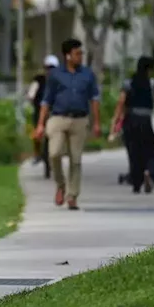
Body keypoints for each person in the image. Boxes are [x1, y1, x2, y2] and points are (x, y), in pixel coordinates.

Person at [34, 39, 101, 210]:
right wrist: (40, 124)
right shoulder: (55, 75)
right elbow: (46, 100)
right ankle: (60, 184)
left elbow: (94, 99)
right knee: (54, 153)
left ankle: (72, 196)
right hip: (58, 118)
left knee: (76, 159)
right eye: (77, 53)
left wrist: (96, 123)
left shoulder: (88, 74)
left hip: (80, 119)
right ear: (68, 55)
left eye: (81, 53)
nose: (80, 57)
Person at [110, 56, 154, 193]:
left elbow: (121, 102)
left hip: (131, 120)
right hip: (147, 121)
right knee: (149, 151)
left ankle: (136, 181)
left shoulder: (128, 83)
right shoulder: (153, 84)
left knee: (134, 152)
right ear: (149, 70)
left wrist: (115, 121)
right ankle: (149, 173)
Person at [27, 55, 60, 167]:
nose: (50, 70)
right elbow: (31, 93)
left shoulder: (59, 81)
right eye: (48, 68)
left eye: (52, 68)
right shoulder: (39, 80)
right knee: (36, 133)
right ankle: (37, 154)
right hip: (39, 110)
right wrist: (32, 98)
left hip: (54, 112)